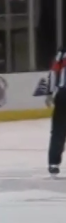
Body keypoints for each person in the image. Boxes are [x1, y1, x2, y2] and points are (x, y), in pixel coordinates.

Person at [46, 45, 65, 176]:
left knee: (58, 130)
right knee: (58, 129)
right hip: (64, 94)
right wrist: (50, 92)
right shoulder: (62, 52)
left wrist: (50, 92)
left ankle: (53, 162)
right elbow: (54, 71)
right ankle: (53, 162)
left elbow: (53, 71)